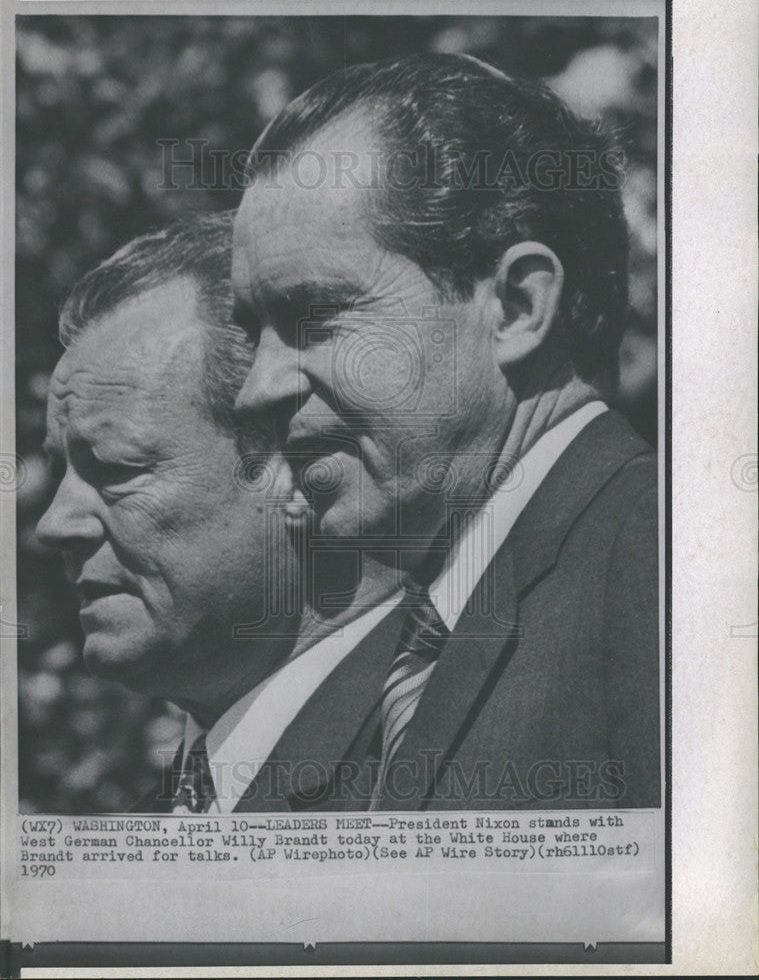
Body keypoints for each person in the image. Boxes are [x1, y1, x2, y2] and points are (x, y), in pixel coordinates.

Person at [231, 53, 660, 811]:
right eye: (252, 333)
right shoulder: (396, 652)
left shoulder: (668, 568)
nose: (256, 390)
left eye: (316, 317)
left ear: (516, 309)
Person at [36, 212, 310, 813]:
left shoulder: (439, 760)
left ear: (287, 462)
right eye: (60, 472)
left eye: (116, 468)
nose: (53, 525)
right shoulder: (153, 822)